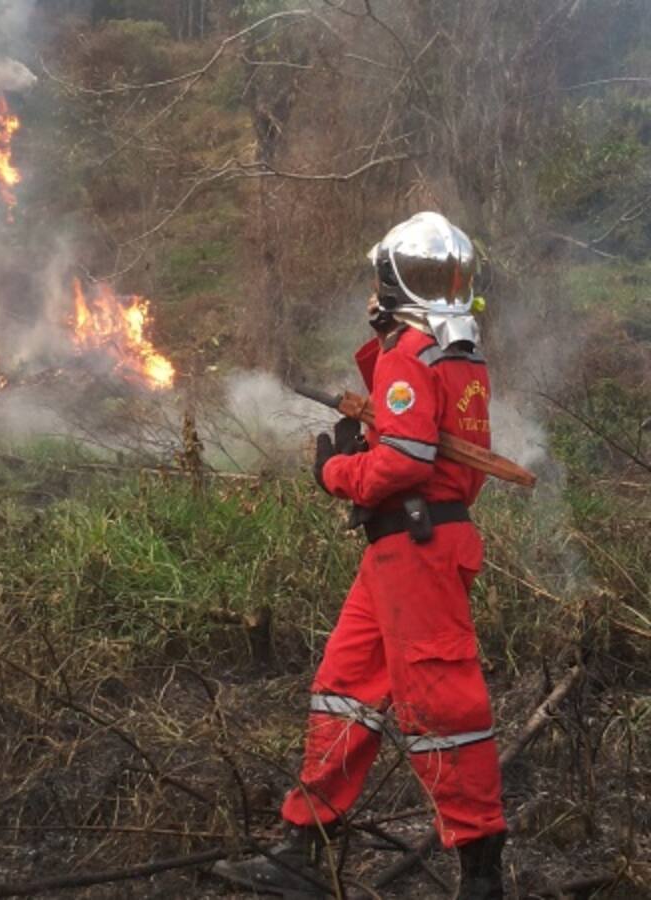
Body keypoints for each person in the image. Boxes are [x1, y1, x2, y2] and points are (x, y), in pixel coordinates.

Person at [214, 212, 506, 899]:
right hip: (406, 549)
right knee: (345, 686)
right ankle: (302, 846)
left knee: (443, 710)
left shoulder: (413, 350)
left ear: (389, 279)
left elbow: (404, 462)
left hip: (416, 549)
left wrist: (338, 472)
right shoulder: (458, 350)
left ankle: (482, 873)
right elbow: (429, 449)